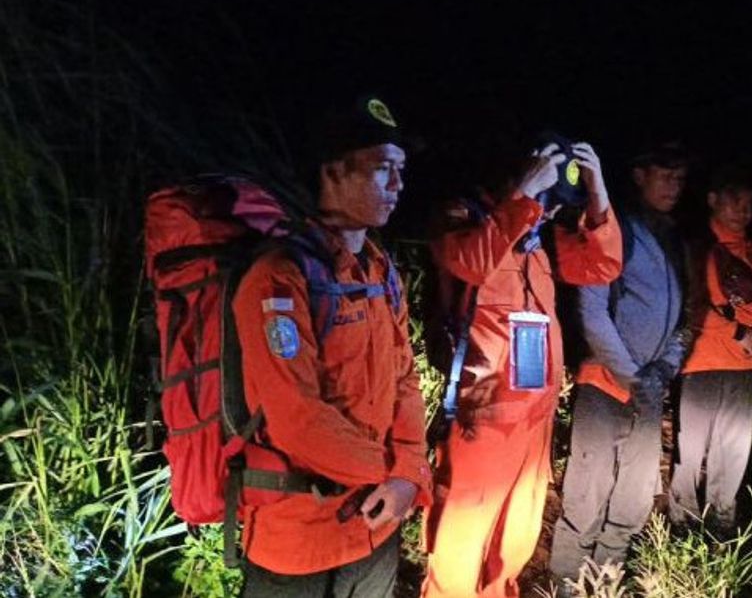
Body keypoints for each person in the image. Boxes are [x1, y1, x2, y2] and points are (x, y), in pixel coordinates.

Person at [232, 96, 432, 596]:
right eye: (384, 169)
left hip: (375, 527)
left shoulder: (382, 273)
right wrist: (396, 474)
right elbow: (296, 416)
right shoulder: (279, 278)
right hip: (297, 535)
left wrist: (407, 473)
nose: (399, 185)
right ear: (332, 172)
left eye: (401, 170)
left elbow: (405, 378)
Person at [421, 139, 623, 598]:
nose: (551, 209)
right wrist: (524, 195)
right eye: (547, 192)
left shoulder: (537, 237)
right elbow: (470, 263)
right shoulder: (464, 219)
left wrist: (599, 196)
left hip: (535, 421)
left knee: (512, 547)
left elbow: (603, 265)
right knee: (459, 552)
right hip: (483, 418)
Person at [548, 145, 690, 587]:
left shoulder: (673, 237)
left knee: (631, 498)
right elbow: (591, 309)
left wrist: (663, 370)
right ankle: (568, 588)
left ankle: (606, 586)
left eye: (680, 177)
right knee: (586, 496)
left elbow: (685, 317)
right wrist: (633, 375)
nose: (674, 185)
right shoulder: (617, 230)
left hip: (647, 388)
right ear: (639, 174)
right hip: (605, 384)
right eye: (665, 174)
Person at [668, 172, 752, 534]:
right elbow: (698, 302)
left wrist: (729, 313)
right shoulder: (695, 247)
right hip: (699, 362)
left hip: (742, 366)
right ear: (713, 200)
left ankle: (722, 526)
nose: (742, 212)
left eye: (749, 205)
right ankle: (682, 523)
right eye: (734, 202)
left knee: (732, 448)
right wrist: (738, 325)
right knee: (690, 447)